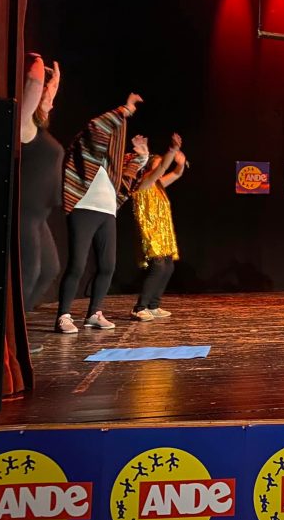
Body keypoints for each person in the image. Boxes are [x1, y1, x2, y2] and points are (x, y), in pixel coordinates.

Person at [54, 93, 149, 333]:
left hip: (107, 213)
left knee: (108, 266)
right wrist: (125, 110)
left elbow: (128, 175)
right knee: (77, 265)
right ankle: (63, 315)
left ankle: (94, 313)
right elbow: (96, 127)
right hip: (83, 209)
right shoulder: (84, 148)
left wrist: (142, 156)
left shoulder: (112, 164)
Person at [19, 54, 62, 313]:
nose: (51, 101)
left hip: (39, 216)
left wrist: (53, 86)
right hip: (24, 212)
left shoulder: (39, 129)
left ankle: (18, 323)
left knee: (49, 269)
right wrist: (38, 64)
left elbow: (45, 101)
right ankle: (8, 331)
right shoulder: (24, 126)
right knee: (29, 273)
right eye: (47, 93)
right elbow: (33, 84)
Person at [130, 134, 186, 322]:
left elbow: (176, 174)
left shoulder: (158, 185)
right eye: (158, 165)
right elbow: (161, 168)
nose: (162, 169)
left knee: (168, 267)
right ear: (148, 167)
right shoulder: (144, 182)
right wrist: (172, 150)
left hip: (162, 233)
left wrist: (180, 163)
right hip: (150, 232)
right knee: (158, 267)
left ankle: (153, 305)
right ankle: (139, 308)